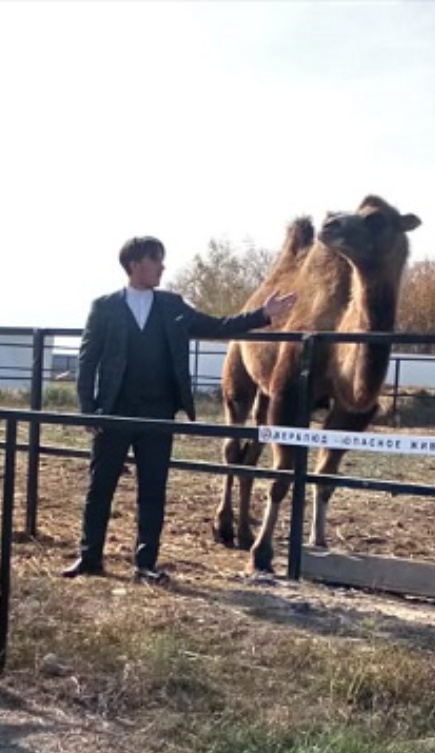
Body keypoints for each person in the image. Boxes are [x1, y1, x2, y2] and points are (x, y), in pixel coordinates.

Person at [63, 236, 297, 583]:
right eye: (156, 260)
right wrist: (88, 410)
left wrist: (263, 314)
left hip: (158, 414)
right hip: (114, 412)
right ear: (135, 265)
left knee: (153, 490)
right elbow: (88, 360)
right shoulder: (104, 307)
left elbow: (217, 325)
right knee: (100, 488)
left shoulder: (172, 305)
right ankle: (90, 558)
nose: (162, 267)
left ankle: (145, 563)